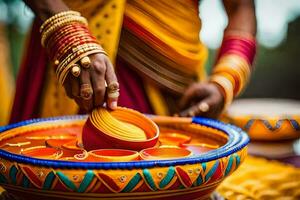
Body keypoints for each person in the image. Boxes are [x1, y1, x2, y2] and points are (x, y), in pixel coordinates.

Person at [9, 0, 256, 123]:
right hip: (70, 65)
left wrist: (224, 82)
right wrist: (66, 33)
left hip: (179, 90)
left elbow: (241, 7)